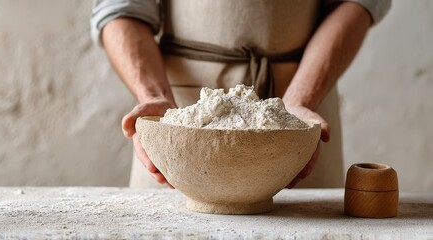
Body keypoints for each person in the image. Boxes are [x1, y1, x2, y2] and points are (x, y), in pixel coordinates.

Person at [91, 0, 391, 188]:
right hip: (178, 111)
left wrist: (299, 101)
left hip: (302, 103)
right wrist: (153, 96)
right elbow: (121, 9)